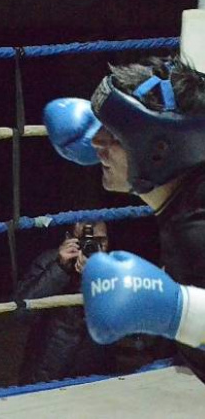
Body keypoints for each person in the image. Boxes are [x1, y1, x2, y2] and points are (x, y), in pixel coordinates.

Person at [45, 54, 205, 383]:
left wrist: (181, 312)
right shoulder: (187, 194)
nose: (96, 141)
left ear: (158, 150)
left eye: (113, 135)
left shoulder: (196, 235)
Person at [16, 221, 120, 384]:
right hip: (49, 367)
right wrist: (60, 268)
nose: (92, 246)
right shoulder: (49, 260)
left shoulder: (115, 267)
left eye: (100, 241)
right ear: (69, 239)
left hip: (98, 368)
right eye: (85, 240)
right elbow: (22, 313)